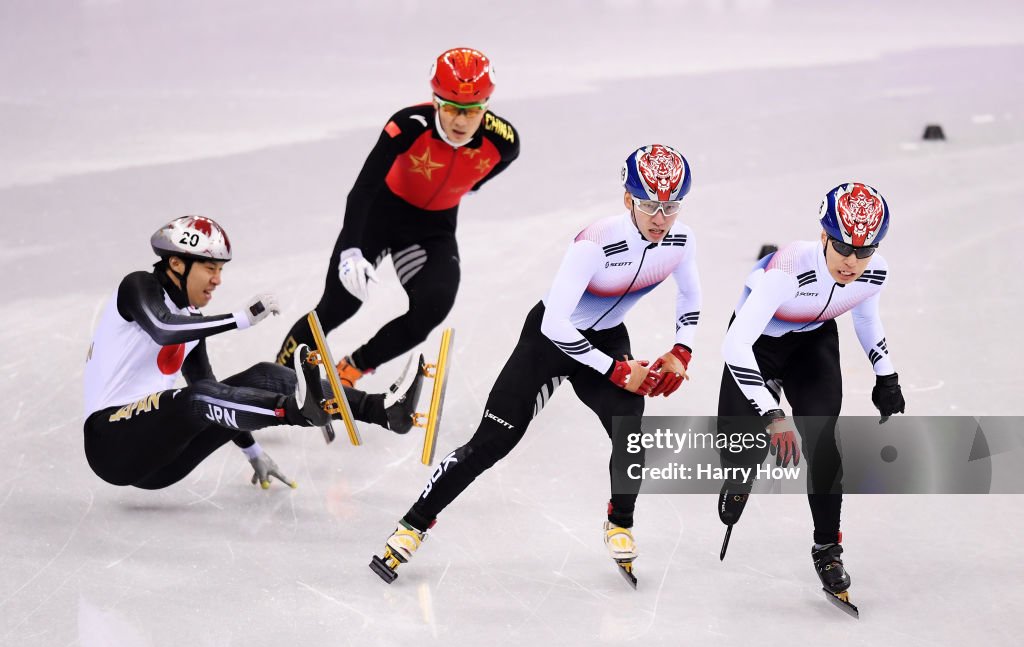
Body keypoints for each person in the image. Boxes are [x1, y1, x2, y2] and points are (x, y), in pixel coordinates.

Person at [370, 144, 702, 583]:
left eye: (672, 206)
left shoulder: (681, 240)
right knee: (491, 443)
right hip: (548, 342)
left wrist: (682, 350)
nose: (661, 218)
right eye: (650, 205)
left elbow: (690, 294)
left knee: (631, 436)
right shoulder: (595, 243)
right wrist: (617, 370)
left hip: (605, 338)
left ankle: (620, 523)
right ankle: (413, 525)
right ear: (628, 200)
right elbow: (555, 326)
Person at [83, 215, 423, 491]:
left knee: (264, 375)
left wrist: (252, 451)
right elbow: (163, 327)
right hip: (110, 444)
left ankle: (381, 410)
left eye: (220, 270)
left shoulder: (192, 321)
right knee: (195, 397)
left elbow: (213, 392)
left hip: (163, 464)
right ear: (175, 263)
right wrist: (240, 319)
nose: (217, 280)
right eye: (209, 268)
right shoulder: (138, 287)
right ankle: (295, 411)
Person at [275, 47, 520, 386]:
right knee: (339, 305)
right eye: (450, 108)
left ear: (486, 107)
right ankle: (279, 374)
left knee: (432, 307)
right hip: (379, 216)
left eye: (472, 110)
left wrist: (469, 185)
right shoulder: (406, 126)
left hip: (433, 229)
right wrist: (351, 250)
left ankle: (352, 369)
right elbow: (362, 190)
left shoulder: (503, 142)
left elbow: (501, 163)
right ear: (435, 101)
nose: (460, 120)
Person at [716, 182, 906, 598]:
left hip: (812, 344)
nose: (852, 262)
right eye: (842, 247)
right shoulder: (786, 271)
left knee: (823, 444)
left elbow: (866, 318)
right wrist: (772, 413)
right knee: (735, 443)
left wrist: (885, 374)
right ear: (823, 237)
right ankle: (739, 473)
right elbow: (735, 345)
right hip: (758, 345)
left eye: (865, 250)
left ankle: (827, 549)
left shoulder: (874, 270)